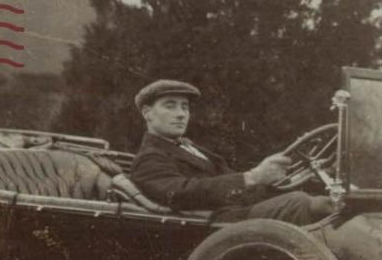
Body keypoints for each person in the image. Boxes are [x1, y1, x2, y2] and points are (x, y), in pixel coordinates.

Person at [129, 79, 333, 224]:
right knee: (300, 203)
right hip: (214, 227)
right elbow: (181, 193)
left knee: (322, 199)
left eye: (185, 107)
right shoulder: (149, 158)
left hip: (234, 216)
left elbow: (229, 179)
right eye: (170, 106)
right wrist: (252, 177)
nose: (181, 114)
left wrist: (291, 178)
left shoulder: (189, 147)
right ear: (147, 113)